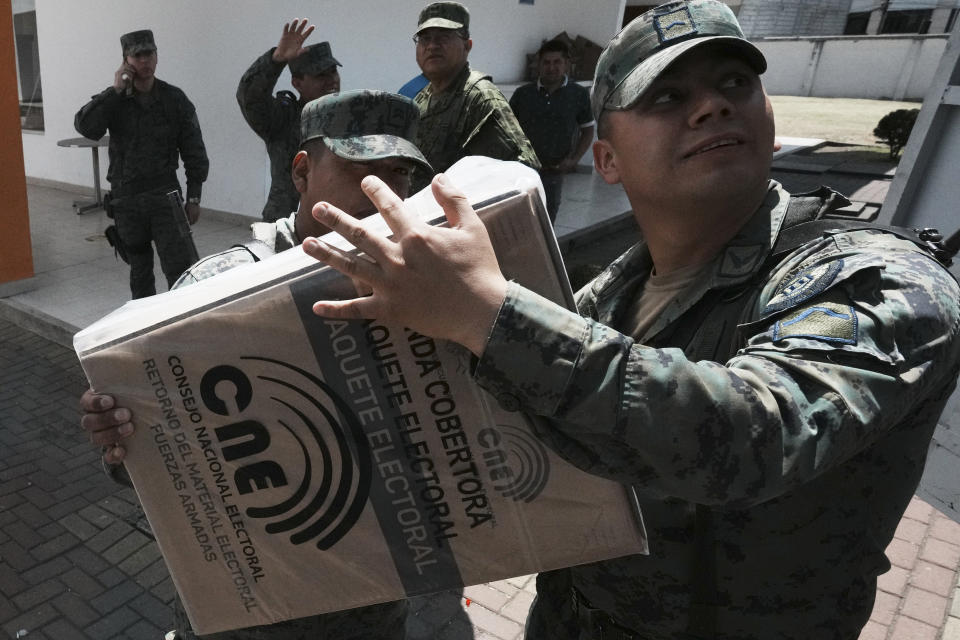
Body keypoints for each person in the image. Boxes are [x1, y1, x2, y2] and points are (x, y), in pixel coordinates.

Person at [297, 1, 960, 638]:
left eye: (735, 83)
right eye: (667, 97)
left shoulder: (878, 279)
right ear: (606, 160)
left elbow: (755, 433)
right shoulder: (609, 292)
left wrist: (487, 313)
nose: (713, 105)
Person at [80, 90, 432, 640]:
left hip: (367, 614)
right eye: (361, 170)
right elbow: (143, 469)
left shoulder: (424, 295)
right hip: (242, 616)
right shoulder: (215, 293)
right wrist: (121, 432)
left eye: (401, 176)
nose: (383, 194)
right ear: (301, 171)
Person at [75, 29, 209, 299]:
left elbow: (194, 150)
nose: (145, 61)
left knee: (179, 271)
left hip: (165, 198)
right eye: (137, 56)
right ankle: (146, 331)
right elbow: (87, 127)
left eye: (149, 54)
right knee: (140, 274)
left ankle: (181, 329)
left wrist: (194, 196)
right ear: (126, 61)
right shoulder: (115, 100)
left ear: (157, 57)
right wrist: (114, 91)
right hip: (127, 204)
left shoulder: (174, 99)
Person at [411, 1, 539, 190]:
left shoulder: (480, 98)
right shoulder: (421, 98)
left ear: (467, 45)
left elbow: (520, 173)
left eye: (443, 37)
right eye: (425, 38)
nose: (432, 46)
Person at [237, 19, 342, 222]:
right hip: (286, 222)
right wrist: (275, 61)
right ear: (297, 83)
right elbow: (250, 97)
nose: (332, 80)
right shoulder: (283, 118)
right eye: (320, 75)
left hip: (335, 220)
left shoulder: (348, 117)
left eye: (333, 71)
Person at [509, 39, 595, 222]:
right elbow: (506, 129)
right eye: (546, 62)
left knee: (546, 221)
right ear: (539, 65)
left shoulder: (578, 95)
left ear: (566, 65)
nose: (551, 67)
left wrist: (574, 160)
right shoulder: (523, 94)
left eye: (557, 62)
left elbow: (588, 131)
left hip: (553, 172)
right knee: (517, 220)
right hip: (522, 171)